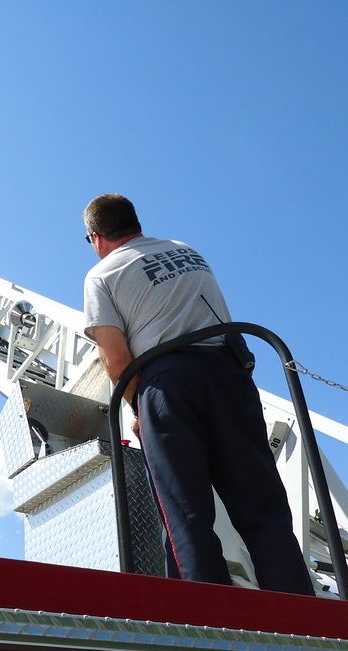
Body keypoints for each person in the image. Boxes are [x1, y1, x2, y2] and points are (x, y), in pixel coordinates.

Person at [81, 193, 314, 595]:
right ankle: (301, 613)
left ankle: (209, 618)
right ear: (135, 222)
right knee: (264, 509)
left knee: (185, 515)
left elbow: (115, 359)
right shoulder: (186, 250)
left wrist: (139, 409)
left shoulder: (101, 276)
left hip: (167, 384)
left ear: (95, 237)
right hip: (230, 376)